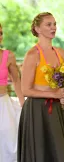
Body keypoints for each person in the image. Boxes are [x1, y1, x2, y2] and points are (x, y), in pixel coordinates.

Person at [18, 12, 64, 162]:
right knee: (40, 152)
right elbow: (25, 90)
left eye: (55, 24)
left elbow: (62, 83)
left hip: (56, 108)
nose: (53, 28)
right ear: (38, 29)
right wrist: (55, 95)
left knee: (59, 151)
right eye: (48, 24)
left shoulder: (61, 53)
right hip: (36, 110)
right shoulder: (32, 55)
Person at [0, 23, 24, 162]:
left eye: (1, 33)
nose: (0, 36)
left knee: (9, 144)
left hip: (4, 104)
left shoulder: (8, 56)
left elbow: (16, 81)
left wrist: (23, 103)